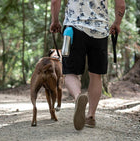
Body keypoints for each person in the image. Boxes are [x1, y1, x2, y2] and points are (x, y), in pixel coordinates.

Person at [50, 0, 125, 130]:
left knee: (69, 72)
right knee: (96, 75)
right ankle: (90, 116)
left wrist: (55, 21)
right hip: (100, 31)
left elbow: (55, 1)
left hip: (73, 30)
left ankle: (79, 97)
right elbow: (121, 4)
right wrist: (117, 23)